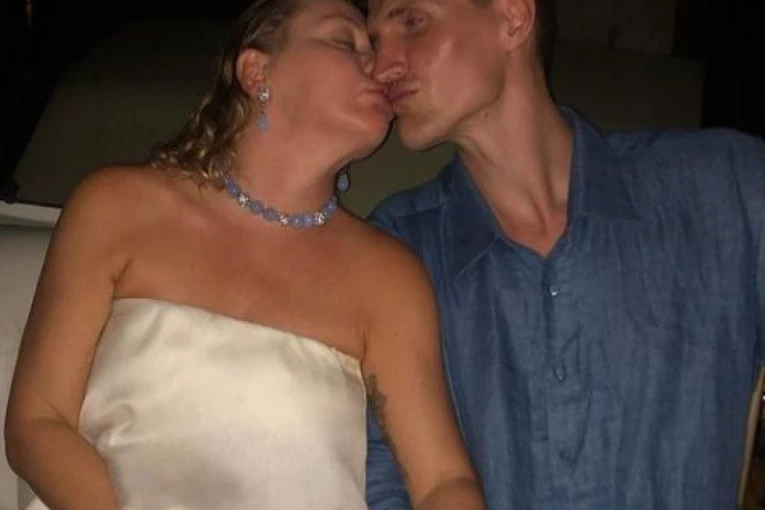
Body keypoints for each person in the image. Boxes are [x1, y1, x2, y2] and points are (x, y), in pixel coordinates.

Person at [4, 1, 486, 509]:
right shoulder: (117, 207)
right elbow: (38, 420)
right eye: (346, 42)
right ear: (257, 71)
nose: (381, 66)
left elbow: (443, 481)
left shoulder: (388, 275)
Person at [363, 0, 765, 508]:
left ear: (512, 17)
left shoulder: (726, 188)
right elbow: (382, 478)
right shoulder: (395, 247)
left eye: (412, 22)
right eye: (374, 43)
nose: (381, 67)